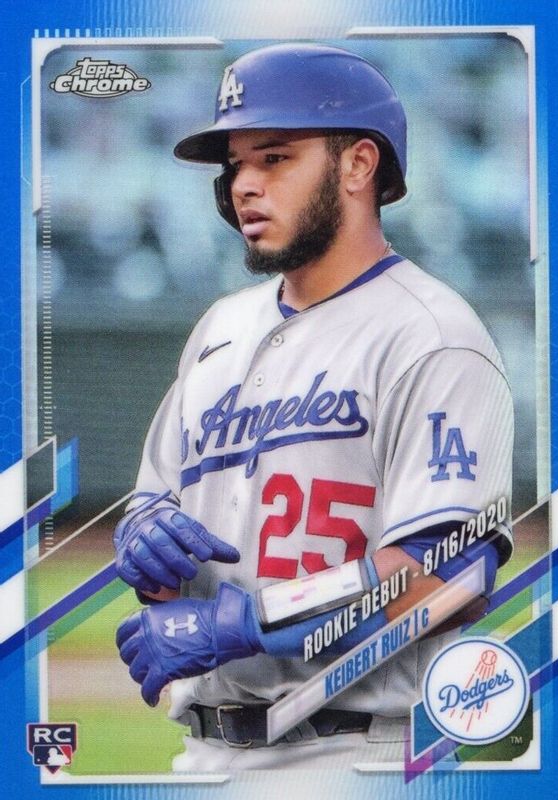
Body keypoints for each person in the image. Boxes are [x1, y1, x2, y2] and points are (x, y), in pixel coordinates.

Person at [114, 43, 514, 771]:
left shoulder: (429, 334)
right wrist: (144, 540)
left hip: (357, 751)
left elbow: (445, 574)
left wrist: (248, 622)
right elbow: (157, 508)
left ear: (358, 165)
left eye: (274, 158)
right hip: (203, 754)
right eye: (236, 165)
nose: (243, 185)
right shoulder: (219, 329)